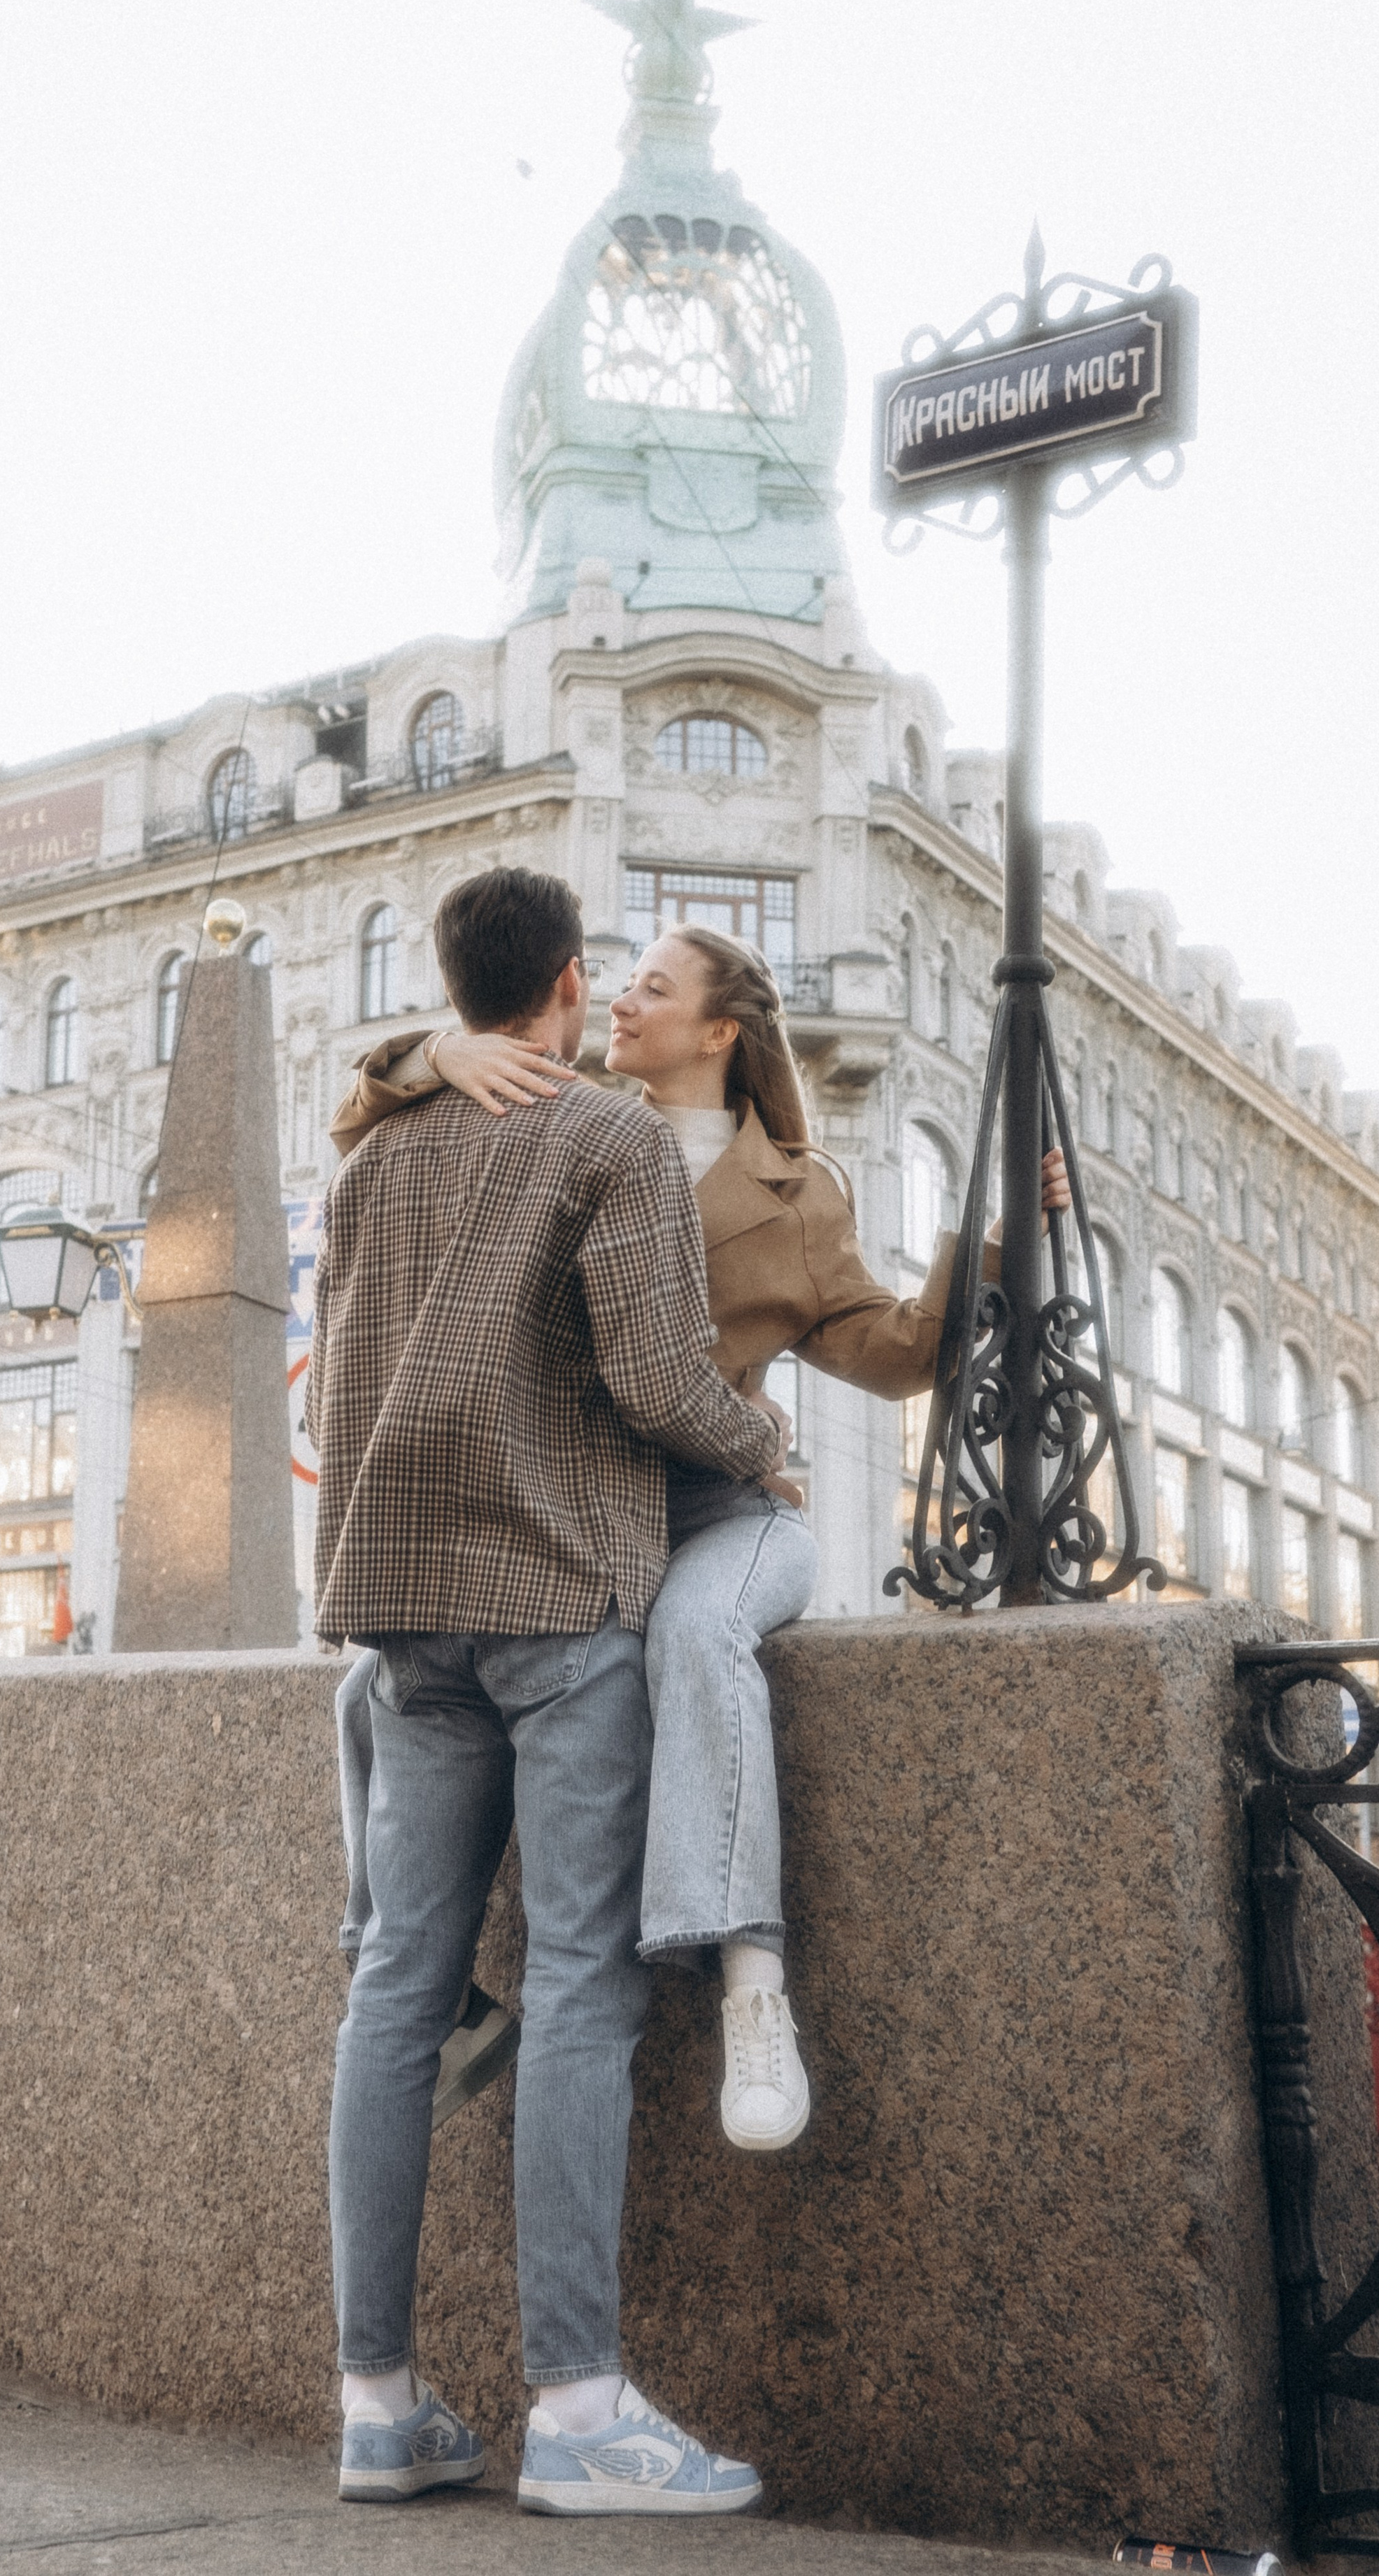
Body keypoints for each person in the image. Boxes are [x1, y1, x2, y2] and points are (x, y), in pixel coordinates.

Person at [329, 922, 1070, 2152]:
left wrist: (992, 1255)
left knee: (695, 1633)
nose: (619, 1001)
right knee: (370, 1678)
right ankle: (421, 1980)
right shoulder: (549, 1105)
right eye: (616, 985)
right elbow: (371, 1117)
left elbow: (887, 1353)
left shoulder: (795, 1189)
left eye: (653, 990)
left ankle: (752, 1985)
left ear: (720, 1030)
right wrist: (438, 1054)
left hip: (729, 1513)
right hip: (572, 1517)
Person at [309, 866, 783, 2517]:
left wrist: (411, 1066)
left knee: (392, 1990)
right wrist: (763, 1452)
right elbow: (658, 1375)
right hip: (558, 1598)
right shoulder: (605, 1139)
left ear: (459, 987)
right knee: (579, 1982)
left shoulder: (375, 1152)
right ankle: (576, 2410)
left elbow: (346, 1352)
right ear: (571, 982)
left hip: (401, 1614)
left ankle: (379, 2404)